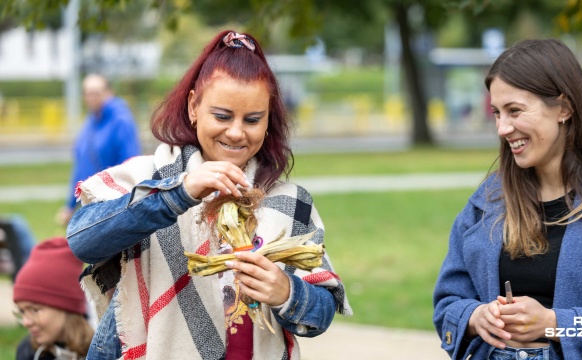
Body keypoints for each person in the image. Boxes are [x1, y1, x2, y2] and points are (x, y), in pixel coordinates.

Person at [67, 30, 351, 360]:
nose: (235, 132)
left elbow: (322, 314)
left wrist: (287, 292)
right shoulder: (151, 177)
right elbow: (82, 241)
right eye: (222, 116)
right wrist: (179, 192)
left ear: (268, 120)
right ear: (193, 107)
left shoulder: (289, 200)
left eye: (253, 119)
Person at [433, 38, 582, 359]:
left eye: (515, 111)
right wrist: (475, 317)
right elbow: (448, 303)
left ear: (564, 108)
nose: (502, 128)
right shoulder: (487, 201)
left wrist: (554, 324)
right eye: (497, 113)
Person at [56, 73, 142, 225]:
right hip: (92, 204)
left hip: (113, 205)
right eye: (87, 93)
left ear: (109, 93)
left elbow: (130, 162)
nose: (91, 98)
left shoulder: (121, 121)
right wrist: (70, 205)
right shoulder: (90, 122)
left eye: (96, 93)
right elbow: (81, 166)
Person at [13, 237, 94, 360]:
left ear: (67, 306)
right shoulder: (28, 351)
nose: (26, 322)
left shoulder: (107, 348)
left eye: (35, 310)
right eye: (22, 311)